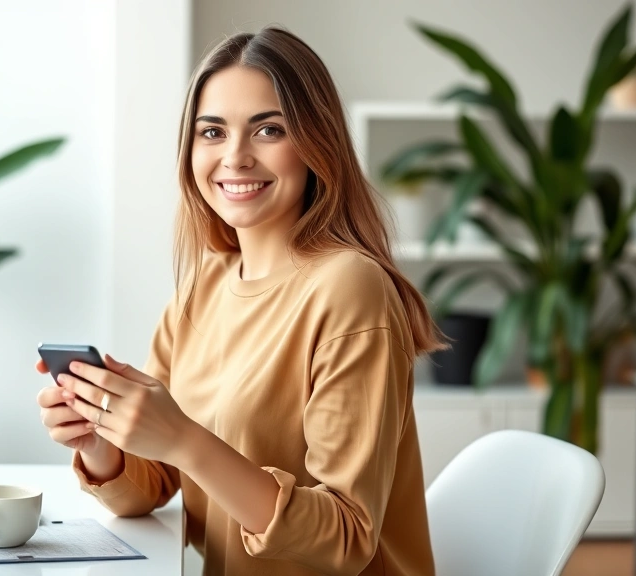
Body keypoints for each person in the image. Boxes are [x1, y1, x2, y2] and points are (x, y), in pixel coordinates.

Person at [36, 26, 444, 576]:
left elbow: (348, 540)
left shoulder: (351, 289)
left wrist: (182, 438)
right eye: (212, 132)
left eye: (268, 129)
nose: (236, 157)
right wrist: (100, 442)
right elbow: (152, 483)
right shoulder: (201, 288)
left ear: (316, 142)